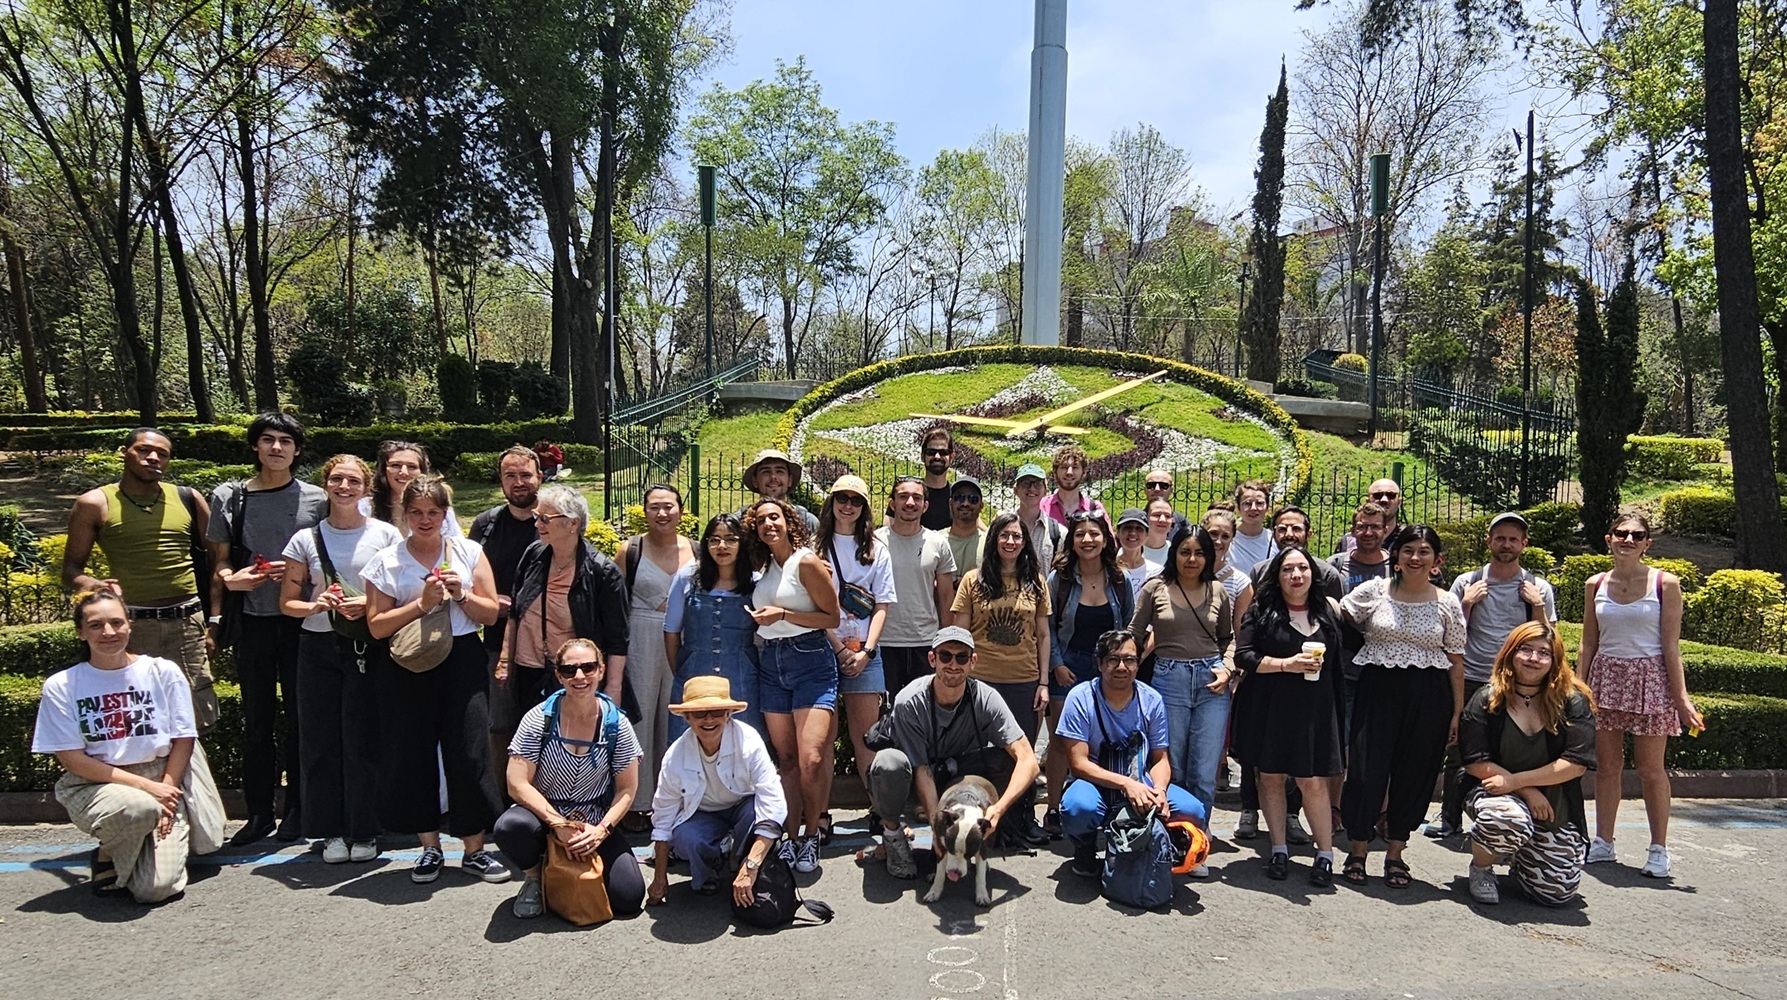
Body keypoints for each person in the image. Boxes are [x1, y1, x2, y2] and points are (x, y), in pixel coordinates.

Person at [32, 591, 225, 903]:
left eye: (116, 622)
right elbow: (72, 760)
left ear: (129, 625)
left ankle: (133, 845)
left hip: (163, 776)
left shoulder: (162, 671)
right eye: (96, 625)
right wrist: (149, 790)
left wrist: (167, 791)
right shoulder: (62, 685)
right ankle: (109, 851)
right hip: (98, 783)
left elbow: (184, 738)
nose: (108, 632)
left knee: (155, 889)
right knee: (137, 808)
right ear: (80, 632)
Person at [364, 476, 509, 885]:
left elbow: (490, 613)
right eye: (416, 512)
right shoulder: (387, 560)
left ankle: (474, 849)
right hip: (409, 662)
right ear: (404, 515)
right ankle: (429, 848)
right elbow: (377, 625)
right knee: (413, 753)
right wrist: (421, 604)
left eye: (433, 512)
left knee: (470, 751)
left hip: (461, 657)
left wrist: (461, 594)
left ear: (445, 514)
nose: (425, 520)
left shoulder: (468, 551)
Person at [207, 411, 328, 846]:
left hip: (300, 623)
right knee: (257, 722)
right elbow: (219, 561)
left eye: (285, 441)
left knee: (301, 719)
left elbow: (326, 556)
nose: (276, 448)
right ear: (255, 446)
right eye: (268, 440)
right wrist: (230, 580)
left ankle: (298, 809)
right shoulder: (230, 497)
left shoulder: (317, 499)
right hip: (252, 622)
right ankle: (259, 814)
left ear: (297, 450)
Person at [278, 455, 401, 863]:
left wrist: (366, 602)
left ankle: (364, 829)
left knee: (363, 737)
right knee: (320, 739)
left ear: (365, 488)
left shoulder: (385, 535)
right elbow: (288, 603)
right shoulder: (304, 539)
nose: (344, 487)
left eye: (353, 481)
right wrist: (316, 606)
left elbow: (400, 590)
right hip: (317, 646)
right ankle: (328, 830)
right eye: (336, 479)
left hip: (365, 644)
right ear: (326, 484)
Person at [61, 427, 219, 732]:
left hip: (187, 625)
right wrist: (95, 586)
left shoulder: (188, 498)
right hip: (131, 627)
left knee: (194, 717)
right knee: (135, 717)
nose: (153, 458)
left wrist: (215, 621)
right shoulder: (94, 503)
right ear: (124, 452)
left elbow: (218, 561)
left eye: (162, 454)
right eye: (144, 450)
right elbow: (71, 571)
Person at [1338, 524, 1466, 888]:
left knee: (1415, 772)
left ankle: (1396, 852)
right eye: (1408, 550)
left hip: (1429, 694)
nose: (1415, 557)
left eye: (1424, 551)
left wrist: (1456, 712)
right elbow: (1340, 613)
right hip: (1377, 689)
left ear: (1437, 561)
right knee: (1365, 770)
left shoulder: (1447, 602)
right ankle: (1358, 849)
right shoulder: (1374, 591)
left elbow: (1456, 660)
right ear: (1395, 556)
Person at [1579, 513, 1703, 878]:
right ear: (1609, 538)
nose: (1628, 540)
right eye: (1621, 533)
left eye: (1637, 535)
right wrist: (1577, 688)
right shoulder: (1595, 584)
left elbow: (1671, 646)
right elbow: (1588, 642)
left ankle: (1659, 848)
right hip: (1606, 679)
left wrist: (1682, 700)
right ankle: (1603, 841)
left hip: (1650, 681)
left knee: (1651, 769)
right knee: (1607, 767)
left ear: (1648, 542)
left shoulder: (1665, 583)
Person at [869, 627, 1042, 878]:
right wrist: (937, 827)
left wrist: (998, 809)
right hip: (913, 779)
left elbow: (1029, 761)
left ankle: (983, 829)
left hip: (955, 775)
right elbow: (921, 769)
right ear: (932, 659)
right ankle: (893, 835)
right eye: (945, 656)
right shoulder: (910, 700)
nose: (953, 664)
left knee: (1004, 760)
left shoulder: (986, 698)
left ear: (973, 662)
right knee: (888, 763)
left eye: (961, 657)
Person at [1424, 511, 1558, 839]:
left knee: (1511, 750)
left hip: (1517, 682)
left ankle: (1514, 819)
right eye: (1500, 538)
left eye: (1513, 539)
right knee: (1459, 750)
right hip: (1471, 677)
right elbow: (1446, 634)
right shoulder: (1467, 583)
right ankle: (1450, 818)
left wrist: (1538, 606)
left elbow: (1548, 641)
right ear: (1489, 542)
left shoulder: (1538, 587)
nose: (1506, 545)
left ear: (1524, 544)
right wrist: (1466, 604)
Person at [495, 639, 646, 919]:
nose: (579, 676)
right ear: (558, 675)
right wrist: (559, 825)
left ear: (601, 670)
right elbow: (517, 784)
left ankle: (568, 871)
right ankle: (534, 876)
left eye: (588, 668)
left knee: (629, 898)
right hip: (543, 814)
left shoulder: (617, 724)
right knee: (510, 826)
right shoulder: (538, 719)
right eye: (569, 670)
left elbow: (627, 789)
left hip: (594, 817)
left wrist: (600, 831)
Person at [1458, 621, 1597, 906]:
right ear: (1511, 653)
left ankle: (1522, 861)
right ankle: (1481, 868)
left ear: (1555, 660)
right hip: (1495, 794)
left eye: (1544, 653)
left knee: (1557, 894)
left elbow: (1575, 764)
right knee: (1507, 819)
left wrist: (1517, 781)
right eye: (1526, 650)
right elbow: (1474, 762)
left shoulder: (1573, 701)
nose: (1534, 658)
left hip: (1553, 804)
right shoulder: (1487, 699)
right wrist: (1525, 791)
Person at [1232, 547, 1347, 886]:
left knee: (1312, 781)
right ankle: (1278, 849)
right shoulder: (1261, 612)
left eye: (1302, 568)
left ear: (1313, 574)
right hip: (1271, 707)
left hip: (1316, 709)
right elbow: (1244, 656)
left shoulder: (1328, 611)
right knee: (1270, 777)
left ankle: (1324, 854)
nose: (1296, 575)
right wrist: (1287, 665)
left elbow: (1338, 663)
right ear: (1276, 576)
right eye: (1287, 569)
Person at [1054, 629, 1207, 877]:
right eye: (1113, 659)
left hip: (1140, 778)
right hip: (1095, 782)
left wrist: (1160, 791)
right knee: (1077, 809)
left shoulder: (1152, 699)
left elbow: (1160, 758)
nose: (1122, 667)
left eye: (1129, 660)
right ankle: (1084, 848)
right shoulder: (1080, 698)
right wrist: (1125, 784)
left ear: (1138, 664)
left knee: (1194, 810)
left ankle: (1163, 848)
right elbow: (1078, 763)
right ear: (1100, 664)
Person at [745, 496, 841, 874]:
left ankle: (812, 834)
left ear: (789, 522)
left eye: (775, 517)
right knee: (785, 760)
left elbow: (832, 617)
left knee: (810, 759)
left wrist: (783, 613)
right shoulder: (764, 567)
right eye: (761, 521)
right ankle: (790, 837)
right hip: (772, 662)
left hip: (810, 660)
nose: (769, 524)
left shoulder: (806, 561)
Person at [1128, 526, 1234, 857]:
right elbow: (1134, 632)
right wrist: (1125, 668)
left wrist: (1227, 668)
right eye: (1185, 552)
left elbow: (1228, 638)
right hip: (1168, 680)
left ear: (1209, 557)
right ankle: (1173, 837)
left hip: (1211, 682)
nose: (1192, 559)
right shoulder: (1154, 588)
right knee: (1171, 766)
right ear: (1174, 554)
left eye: (1199, 553)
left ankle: (1198, 843)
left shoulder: (1218, 591)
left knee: (1204, 771)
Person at [504, 485, 631, 737]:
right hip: (529, 672)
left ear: (573, 523)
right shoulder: (534, 555)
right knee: (532, 742)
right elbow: (515, 610)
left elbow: (618, 639)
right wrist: (505, 660)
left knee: (571, 743)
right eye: (536, 516)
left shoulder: (602, 572)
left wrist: (613, 688)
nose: (537, 524)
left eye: (545, 518)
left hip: (575, 676)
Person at [648, 676, 788, 905]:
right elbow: (663, 819)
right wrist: (659, 878)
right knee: (683, 836)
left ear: (728, 714)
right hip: (702, 813)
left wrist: (751, 865)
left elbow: (773, 803)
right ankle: (709, 869)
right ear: (686, 717)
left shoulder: (749, 742)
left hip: (744, 806)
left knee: (759, 816)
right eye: (699, 713)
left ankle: (746, 863)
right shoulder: (674, 756)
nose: (709, 719)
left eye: (716, 711)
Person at [1043, 511, 1135, 837]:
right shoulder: (1060, 580)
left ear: (1106, 540)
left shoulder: (1120, 580)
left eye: (1094, 534)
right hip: (1068, 667)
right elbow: (1048, 627)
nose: (1087, 540)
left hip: (1108, 669)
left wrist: (1121, 665)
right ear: (1072, 541)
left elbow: (1128, 624)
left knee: (1106, 739)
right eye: (1080, 534)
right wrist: (1057, 664)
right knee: (1061, 741)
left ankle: (1104, 806)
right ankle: (1053, 808)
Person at [816, 475, 897, 832]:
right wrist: (837, 647)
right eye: (842, 498)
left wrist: (867, 651)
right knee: (823, 739)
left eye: (855, 500)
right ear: (832, 502)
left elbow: (882, 605)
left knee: (867, 738)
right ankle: (820, 814)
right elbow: (810, 603)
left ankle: (879, 808)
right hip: (822, 649)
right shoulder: (815, 546)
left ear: (864, 507)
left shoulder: (877, 549)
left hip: (864, 651)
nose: (847, 506)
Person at [616, 484, 695, 816]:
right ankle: (636, 802)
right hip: (641, 639)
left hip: (683, 638)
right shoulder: (630, 550)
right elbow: (615, 602)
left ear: (681, 510)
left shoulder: (697, 550)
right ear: (645, 511)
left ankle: (675, 800)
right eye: (654, 507)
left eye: (669, 506)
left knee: (675, 717)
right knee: (640, 718)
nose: (662, 513)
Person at [470, 446, 546, 779]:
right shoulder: (486, 524)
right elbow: (467, 574)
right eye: (510, 476)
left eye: (525, 475)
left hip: (545, 645)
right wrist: (486, 600)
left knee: (543, 724)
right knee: (499, 724)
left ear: (539, 477)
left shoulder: (553, 522)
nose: (518, 483)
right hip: (496, 641)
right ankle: (502, 796)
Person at [664, 514, 764, 740]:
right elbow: (671, 631)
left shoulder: (756, 582)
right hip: (693, 673)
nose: (722, 546)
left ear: (742, 543)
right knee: (689, 741)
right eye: (714, 539)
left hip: (741, 676)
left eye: (731, 539)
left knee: (742, 742)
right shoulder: (687, 578)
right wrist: (681, 670)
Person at [876, 476, 959, 698]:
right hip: (884, 641)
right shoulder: (875, 542)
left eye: (917, 498)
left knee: (923, 709)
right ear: (892, 504)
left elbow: (945, 596)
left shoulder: (938, 543)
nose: (910, 503)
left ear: (925, 506)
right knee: (885, 711)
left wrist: (947, 641)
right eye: (903, 496)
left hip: (925, 642)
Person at [366, 440, 459, 537]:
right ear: (383, 470)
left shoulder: (441, 508)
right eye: (395, 465)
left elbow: (455, 542)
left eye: (412, 467)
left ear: (422, 472)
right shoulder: (366, 508)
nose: (404, 472)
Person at [740, 448, 819, 535]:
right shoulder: (740, 521)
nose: (773, 477)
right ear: (755, 481)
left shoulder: (807, 522)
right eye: (766, 472)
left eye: (780, 471)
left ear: (790, 480)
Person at [1011, 464, 1063, 573]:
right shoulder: (1002, 528)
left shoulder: (1058, 533)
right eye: (1025, 483)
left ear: (1045, 491)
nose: (1032, 488)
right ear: (1016, 490)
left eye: (1038, 484)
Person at [1040, 444, 1107, 528]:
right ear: (1055, 472)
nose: (1069, 472)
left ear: (1084, 473)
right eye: (1064, 467)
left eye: (1075, 467)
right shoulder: (1042, 507)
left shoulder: (1095, 509)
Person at [1338, 479, 1404, 554]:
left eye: (1391, 495)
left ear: (1399, 502)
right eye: (1377, 495)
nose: (1384, 500)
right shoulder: (1348, 541)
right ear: (1368, 501)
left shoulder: (1408, 539)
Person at [1229, 480, 1277, 572]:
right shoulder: (1227, 539)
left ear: (1267, 507)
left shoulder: (1275, 540)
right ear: (1238, 508)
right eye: (1247, 503)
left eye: (1259, 503)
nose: (1253, 508)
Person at [946, 476, 988, 582]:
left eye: (973, 499)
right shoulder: (936, 541)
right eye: (959, 498)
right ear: (950, 504)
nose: (965, 503)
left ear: (981, 506)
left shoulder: (990, 545)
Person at [1114, 507, 1163, 598]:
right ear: (1118, 532)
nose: (1133, 533)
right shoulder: (1108, 568)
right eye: (1127, 527)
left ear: (1147, 534)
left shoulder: (1156, 572)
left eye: (1139, 528)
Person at [916, 426, 957, 530]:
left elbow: (982, 531)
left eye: (943, 452)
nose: (937, 457)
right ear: (922, 456)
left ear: (951, 457)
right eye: (931, 452)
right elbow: (889, 528)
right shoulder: (911, 494)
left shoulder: (958, 496)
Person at [1141, 469, 1191, 538]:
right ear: (1145, 490)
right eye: (1151, 485)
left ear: (1171, 490)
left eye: (1163, 486)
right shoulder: (1135, 521)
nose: (1157, 489)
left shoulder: (1181, 523)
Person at [1142, 498, 1177, 567]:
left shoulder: (1176, 553)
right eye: (1157, 515)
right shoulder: (1130, 551)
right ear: (1146, 518)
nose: (1162, 520)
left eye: (1167, 516)